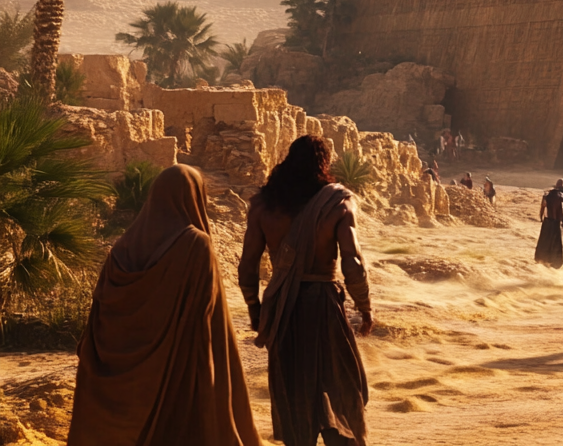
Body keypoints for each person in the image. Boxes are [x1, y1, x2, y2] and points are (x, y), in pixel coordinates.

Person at [70, 165, 263, 446]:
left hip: (123, 388)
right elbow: (207, 318)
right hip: (177, 376)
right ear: (194, 197)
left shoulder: (122, 248)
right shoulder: (196, 244)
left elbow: (101, 318)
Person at [240, 136, 372, 446]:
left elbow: (247, 267)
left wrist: (256, 311)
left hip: (283, 307)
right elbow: (352, 262)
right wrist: (365, 308)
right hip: (324, 305)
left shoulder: (263, 205)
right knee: (339, 386)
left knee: (294, 392)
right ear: (324, 164)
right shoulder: (338, 202)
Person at [534, 179, 563, 269]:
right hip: (557, 223)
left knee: (545, 242)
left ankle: (542, 260)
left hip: (547, 222)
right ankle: (556, 264)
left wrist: (541, 218)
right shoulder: (561, 196)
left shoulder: (547, 195)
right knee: (557, 244)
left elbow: (542, 208)